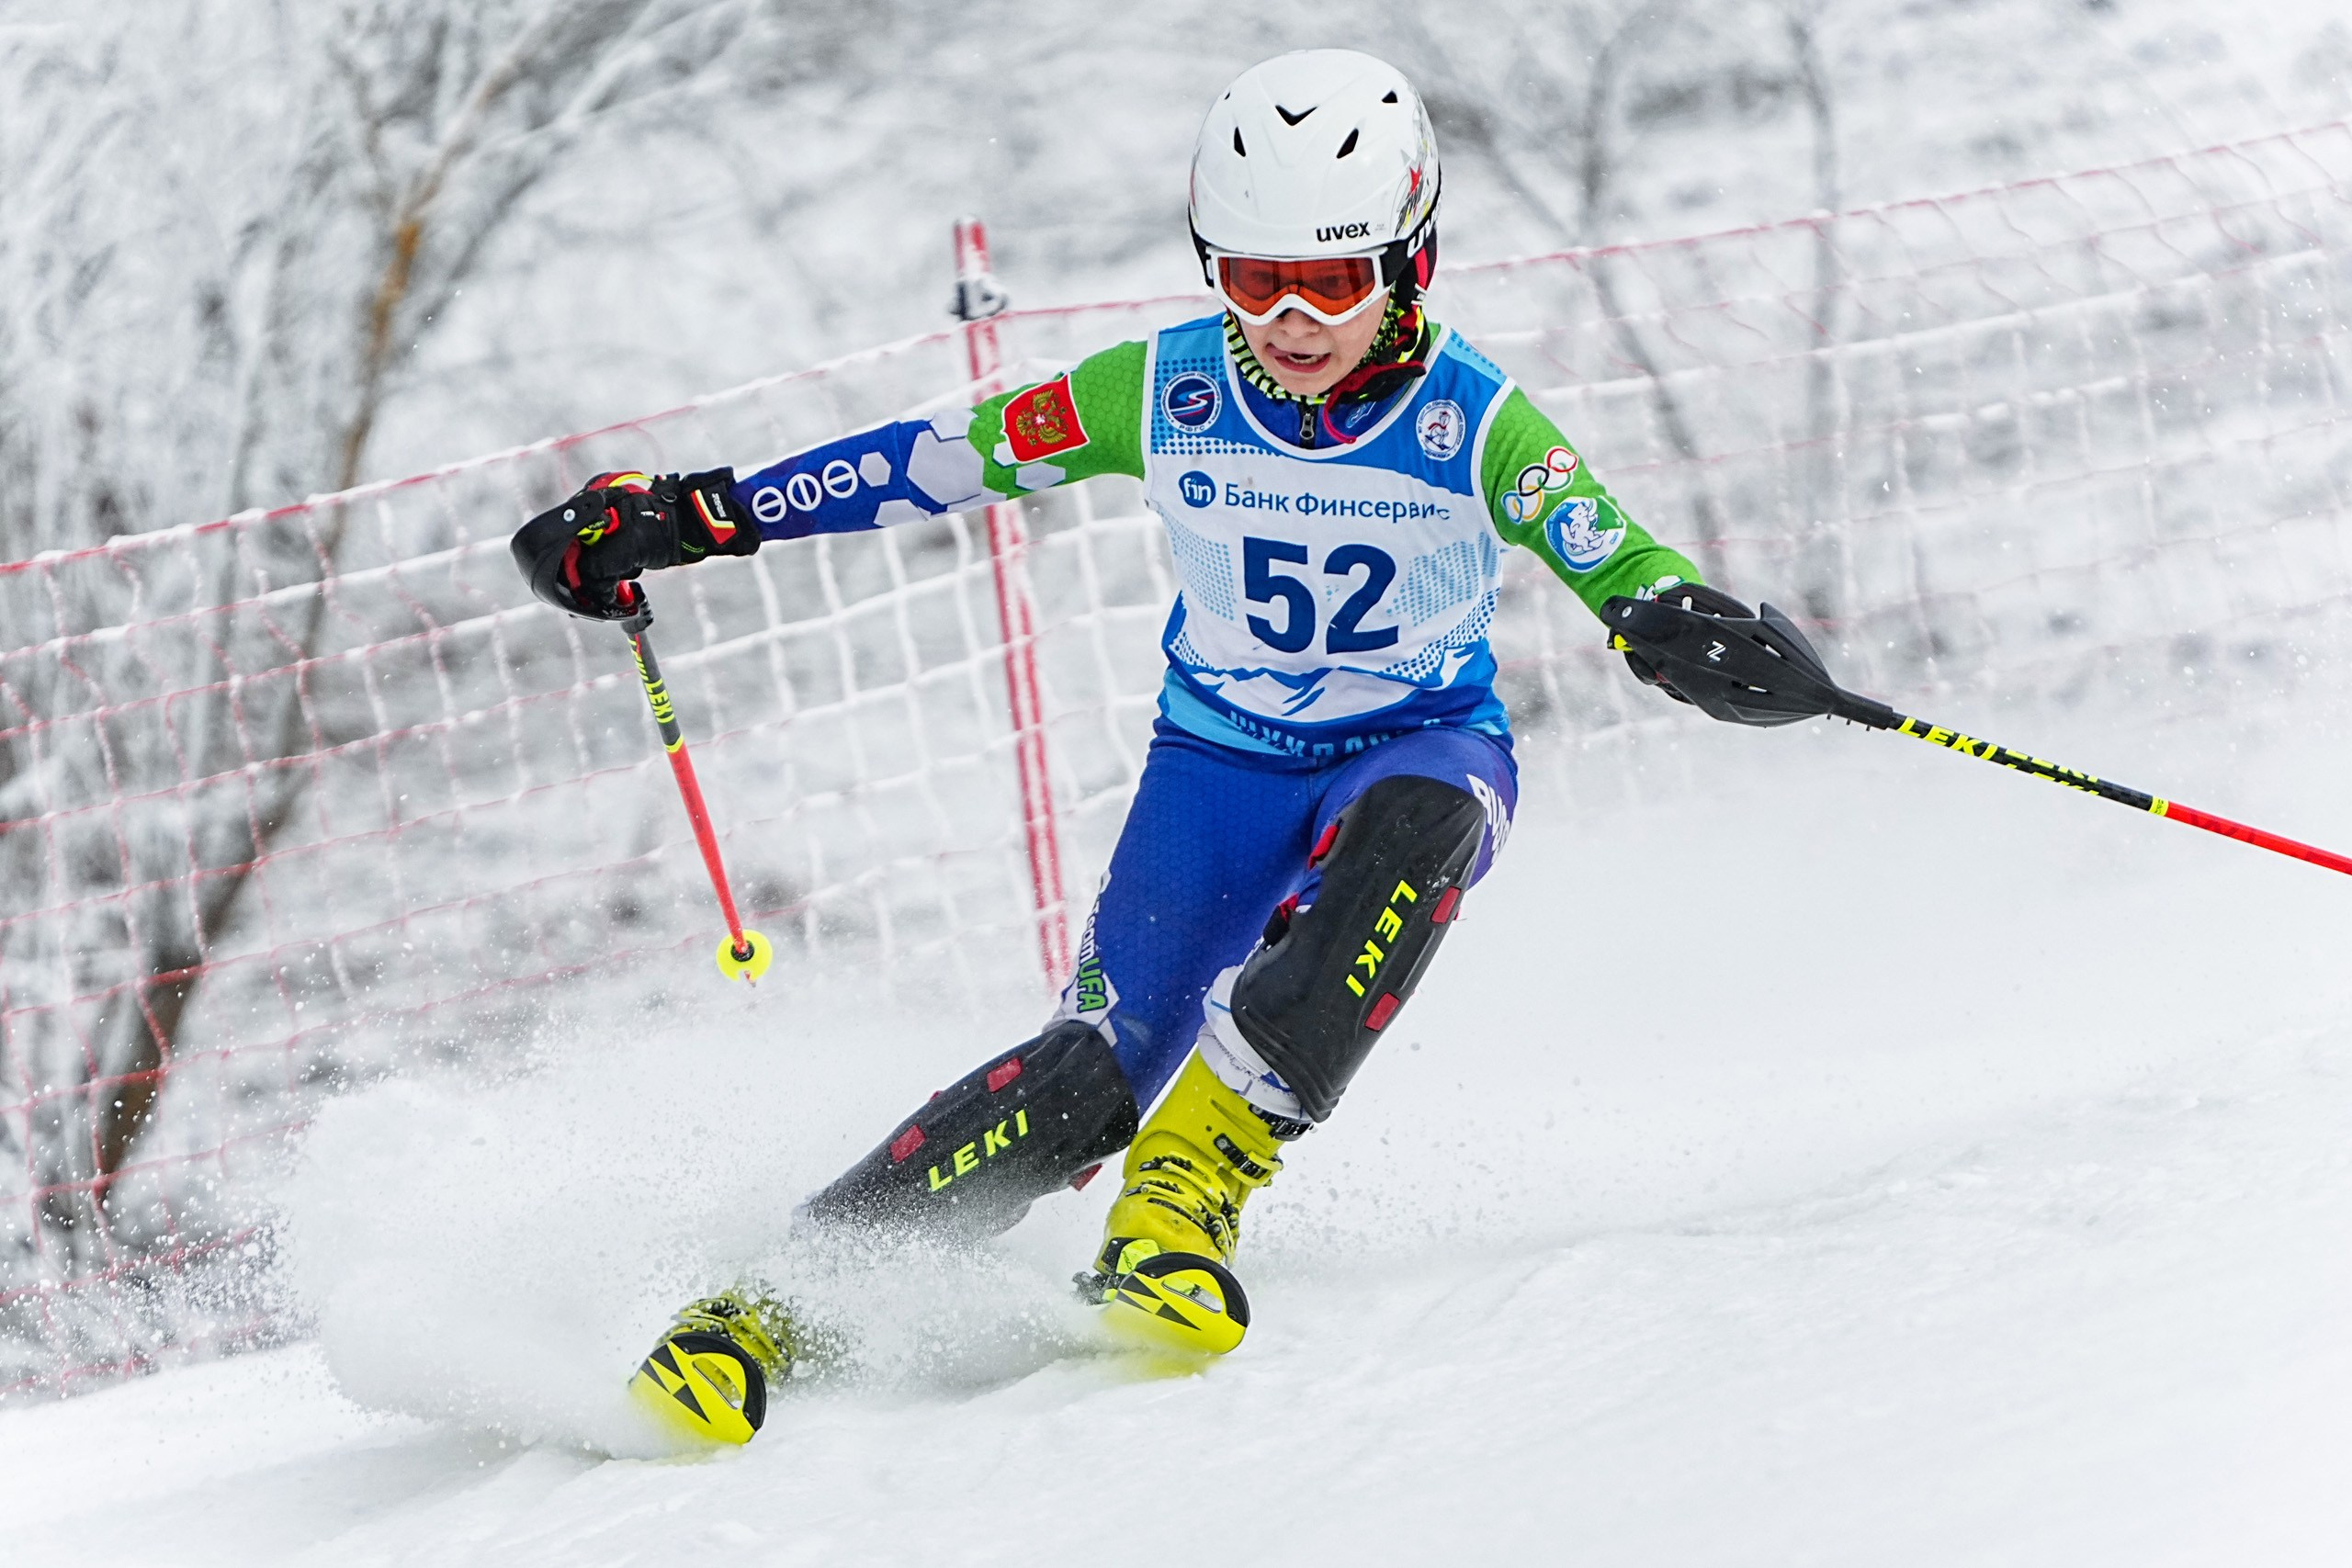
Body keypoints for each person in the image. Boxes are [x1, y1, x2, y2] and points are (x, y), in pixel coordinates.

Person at [513, 48, 1770, 1445]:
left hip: (1418, 743)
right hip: (1214, 770)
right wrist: (699, 514)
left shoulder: (1474, 419)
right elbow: (944, 455)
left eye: (1334, 282)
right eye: (1248, 278)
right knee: (1088, 1076)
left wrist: (1682, 625)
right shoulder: (1161, 390)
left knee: (1422, 830)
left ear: (1412, 263)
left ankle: (1184, 1199)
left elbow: (1605, 547)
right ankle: (771, 1303)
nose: (1289, 320)